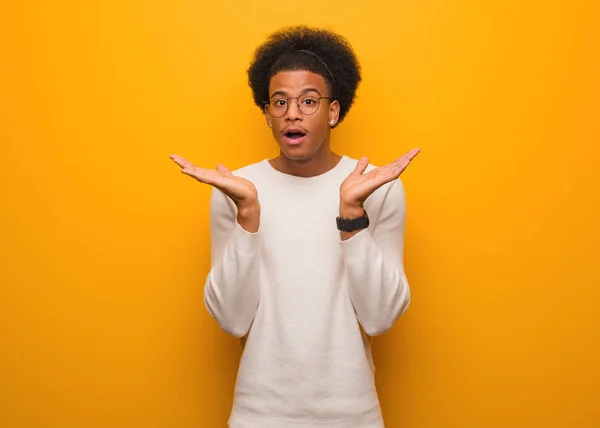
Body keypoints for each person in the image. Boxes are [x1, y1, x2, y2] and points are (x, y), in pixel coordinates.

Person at [170, 25, 420, 428]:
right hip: (259, 415)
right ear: (267, 113)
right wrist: (248, 214)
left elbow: (380, 317)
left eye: (308, 101)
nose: (292, 113)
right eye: (280, 102)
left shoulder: (376, 187)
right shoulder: (236, 190)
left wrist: (352, 213)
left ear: (333, 111)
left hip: (351, 415)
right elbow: (232, 319)